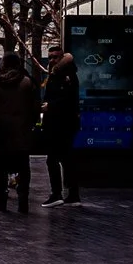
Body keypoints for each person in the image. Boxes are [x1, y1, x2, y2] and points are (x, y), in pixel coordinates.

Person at [0, 51, 42, 212]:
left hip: (0, 134)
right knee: (23, 167)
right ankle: (23, 201)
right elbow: (35, 107)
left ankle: (1, 201)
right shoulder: (27, 83)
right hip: (21, 132)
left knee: (0, 168)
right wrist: (30, 123)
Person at [40, 46, 83, 205]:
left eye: (55, 57)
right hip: (62, 123)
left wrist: (49, 107)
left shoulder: (64, 75)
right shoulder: (59, 74)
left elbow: (67, 100)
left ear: (61, 57)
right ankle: (72, 194)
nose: (51, 60)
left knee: (53, 159)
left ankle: (57, 194)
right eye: (50, 57)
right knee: (66, 159)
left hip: (60, 123)